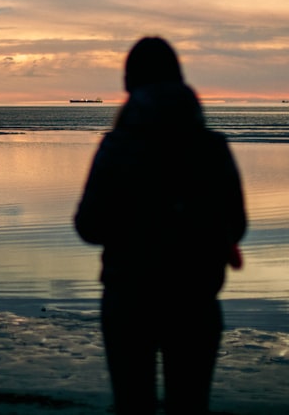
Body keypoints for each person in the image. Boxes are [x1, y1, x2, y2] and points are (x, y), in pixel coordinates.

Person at [75, 37, 247, 415]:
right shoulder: (211, 148)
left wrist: (133, 229)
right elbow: (236, 224)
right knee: (190, 407)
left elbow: (87, 225)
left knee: (133, 406)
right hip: (195, 301)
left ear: (128, 84)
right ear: (180, 78)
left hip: (128, 299)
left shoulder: (116, 147)